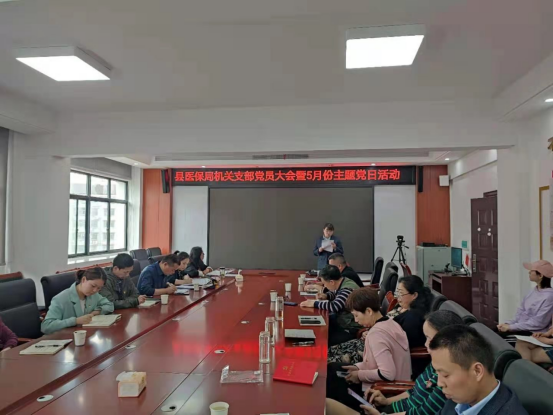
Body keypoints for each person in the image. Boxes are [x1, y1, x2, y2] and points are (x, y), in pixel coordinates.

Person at [326, 310, 464, 415]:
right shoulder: (434, 365)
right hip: (391, 408)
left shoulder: (446, 380)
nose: (426, 344)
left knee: (327, 404)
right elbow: (414, 391)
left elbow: (420, 412)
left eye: (429, 338)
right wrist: (387, 401)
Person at [326, 287, 411, 411]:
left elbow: (387, 374)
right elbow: (376, 362)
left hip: (382, 391)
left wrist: (359, 375)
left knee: (332, 380)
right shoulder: (390, 323)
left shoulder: (377, 334)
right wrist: (357, 367)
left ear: (369, 311)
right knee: (333, 368)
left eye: (356, 315)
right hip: (394, 383)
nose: (356, 320)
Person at [328, 275, 431, 366]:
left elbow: (400, 345)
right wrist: (369, 331)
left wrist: (374, 335)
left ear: (414, 295)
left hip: (377, 352)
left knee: (329, 360)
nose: (397, 297)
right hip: (370, 340)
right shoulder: (401, 307)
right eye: (397, 292)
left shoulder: (414, 318)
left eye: (401, 293)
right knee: (329, 351)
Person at [429, 325, 527, 415]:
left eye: (445, 375)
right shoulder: (460, 396)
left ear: (477, 371)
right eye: (437, 373)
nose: (439, 383)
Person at [300, 265, 362, 346]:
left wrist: (314, 303)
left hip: (350, 327)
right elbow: (337, 294)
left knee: (321, 337)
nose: (324, 286)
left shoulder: (347, 289)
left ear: (332, 282)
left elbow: (335, 306)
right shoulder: (344, 281)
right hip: (342, 320)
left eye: (325, 284)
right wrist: (326, 295)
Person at [41, 268, 114, 335]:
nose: (95, 290)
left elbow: (110, 305)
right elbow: (46, 326)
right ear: (83, 280)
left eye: (99, 288)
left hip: (85, 335)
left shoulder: (93, 295)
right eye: (93, 286)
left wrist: (96, 312)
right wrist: (75, 321)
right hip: (65, 338)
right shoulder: (60, 299)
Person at [497, 260, 553, 335]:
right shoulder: (533, 291)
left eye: (532, 271)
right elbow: (520, 311)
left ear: (540, 275)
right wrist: (508, 324)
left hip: (533, 332)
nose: (529, 272)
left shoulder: (549, 296)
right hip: (520, 327)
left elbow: (538, 323)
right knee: (490, 333)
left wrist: (511, 327)